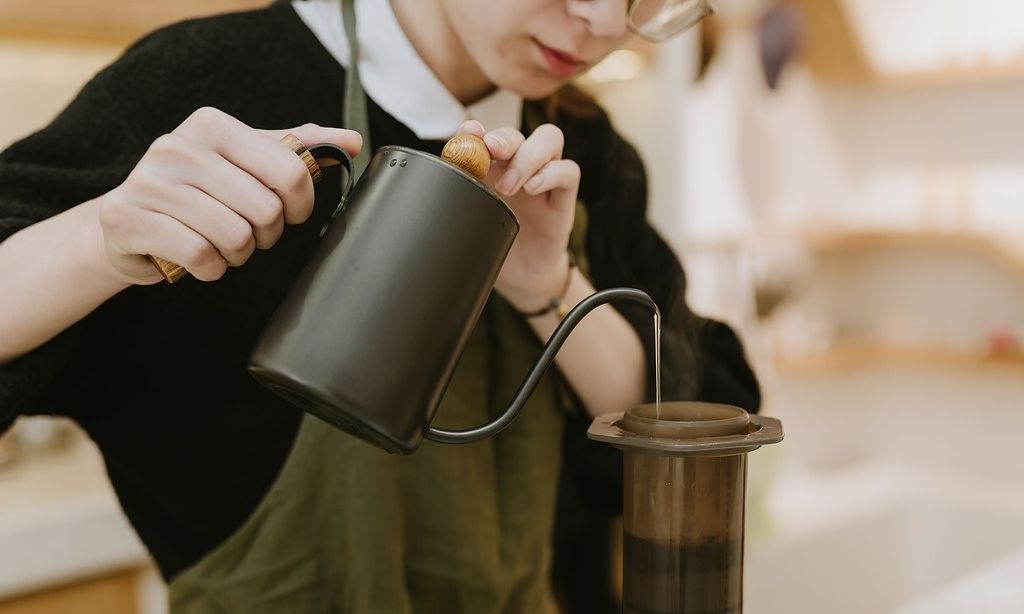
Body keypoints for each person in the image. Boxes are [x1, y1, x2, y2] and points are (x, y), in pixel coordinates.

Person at [0, 0, 759, 611]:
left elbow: (688, 424)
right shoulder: (205, 82)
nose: (599, 20)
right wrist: (97, 243)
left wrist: (549, 287)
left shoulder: (585, 149)